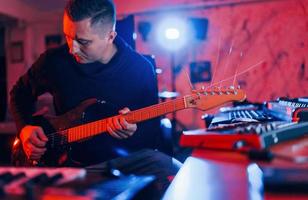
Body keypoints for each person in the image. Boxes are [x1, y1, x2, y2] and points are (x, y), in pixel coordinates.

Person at [10, 0, 181, 197]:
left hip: (127, 159)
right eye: (67, 36)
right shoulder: (53, 61)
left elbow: (152, 133)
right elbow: (18, 94)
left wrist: (133, 130)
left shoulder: (140, 68)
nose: (72, 48)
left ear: (110, 36)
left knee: (176, 172)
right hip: (67, 162)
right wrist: (25, 129)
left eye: (83, 42)